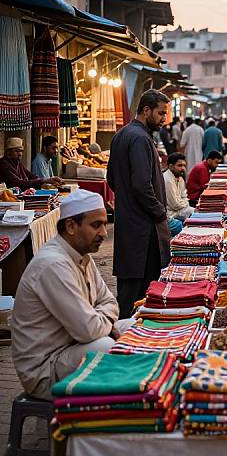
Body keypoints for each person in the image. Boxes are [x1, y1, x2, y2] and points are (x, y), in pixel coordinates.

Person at [10, 189, 133, 400]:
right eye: (96, 225)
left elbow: (109, 301)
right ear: (71, 226)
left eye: (105, 224)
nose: (104, 232)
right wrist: (105, 327)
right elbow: (87, 330)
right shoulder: (53, 264)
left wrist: (102, 324)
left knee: (134, 326)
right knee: (106, 347)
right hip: (44, 370)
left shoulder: (82, 256)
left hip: (73, 346)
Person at [107, 89, 171, 319]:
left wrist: (126, 203)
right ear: (146, 110)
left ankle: (124, 334)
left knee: (128, 289)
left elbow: (111, 180)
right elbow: (142, 185)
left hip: (129, 224)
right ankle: (131, 341)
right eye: (161, 113)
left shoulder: (122, 135)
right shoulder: (141, 138)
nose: (164, 119)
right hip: (143, 230)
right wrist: (159, 211)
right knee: (141, 290)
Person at [163, 152, 194, 222]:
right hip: (171, 214)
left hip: (180, 209)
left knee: (196, 212)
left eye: (184, 165)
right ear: (171, 166)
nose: (183, 168)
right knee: (194, 213)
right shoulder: (168, 180)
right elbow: (175, 205)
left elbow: (184, 196)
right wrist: (185, 203)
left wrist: (184, 203)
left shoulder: (180, 178)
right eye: (179, 165)